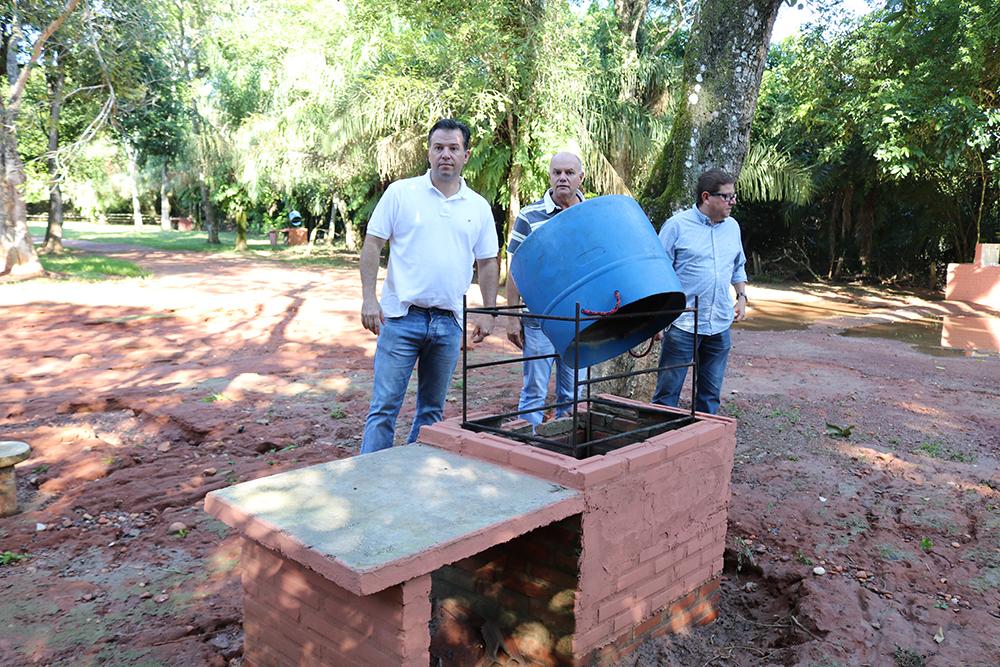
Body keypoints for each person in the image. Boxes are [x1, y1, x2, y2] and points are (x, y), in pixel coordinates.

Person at [358, 119, 499, 454]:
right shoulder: (401, 193)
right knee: (384, 409)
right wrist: (368, 299)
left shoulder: (477, 207)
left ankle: (411, 480)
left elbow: (488, 262)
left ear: (466, 154)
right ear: (429, 152)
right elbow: (372, 245)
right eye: (438, 148)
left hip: (449, 323)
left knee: (431, 413)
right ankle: (367, 485)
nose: (445, 155)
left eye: (453, 148)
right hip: (401, 319)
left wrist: (491, 312)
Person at [652, 168, 748, 414]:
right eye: (727, 196)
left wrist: (741, 297)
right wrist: (655, 321)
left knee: (710, 395)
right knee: (667, 393)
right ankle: (660, 443)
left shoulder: (733, 227)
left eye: (733, 196)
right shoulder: (676, 226)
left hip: (719, 324)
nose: (733, 202)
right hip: (683, 324)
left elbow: (738, 266)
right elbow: (658, 275)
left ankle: (705, 446)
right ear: (707, 197)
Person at [505, 152, 586, 427]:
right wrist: (512, 315)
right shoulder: (529, 215)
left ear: (580, 177)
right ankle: (527, 447)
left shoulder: (592, 214)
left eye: (569, 172)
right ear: (549, 176)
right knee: (534, 391)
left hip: (581, 317)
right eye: (557, 172)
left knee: (573, 392)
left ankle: (567, 448)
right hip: (539, 318)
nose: (562, 178)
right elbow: (516, 265)